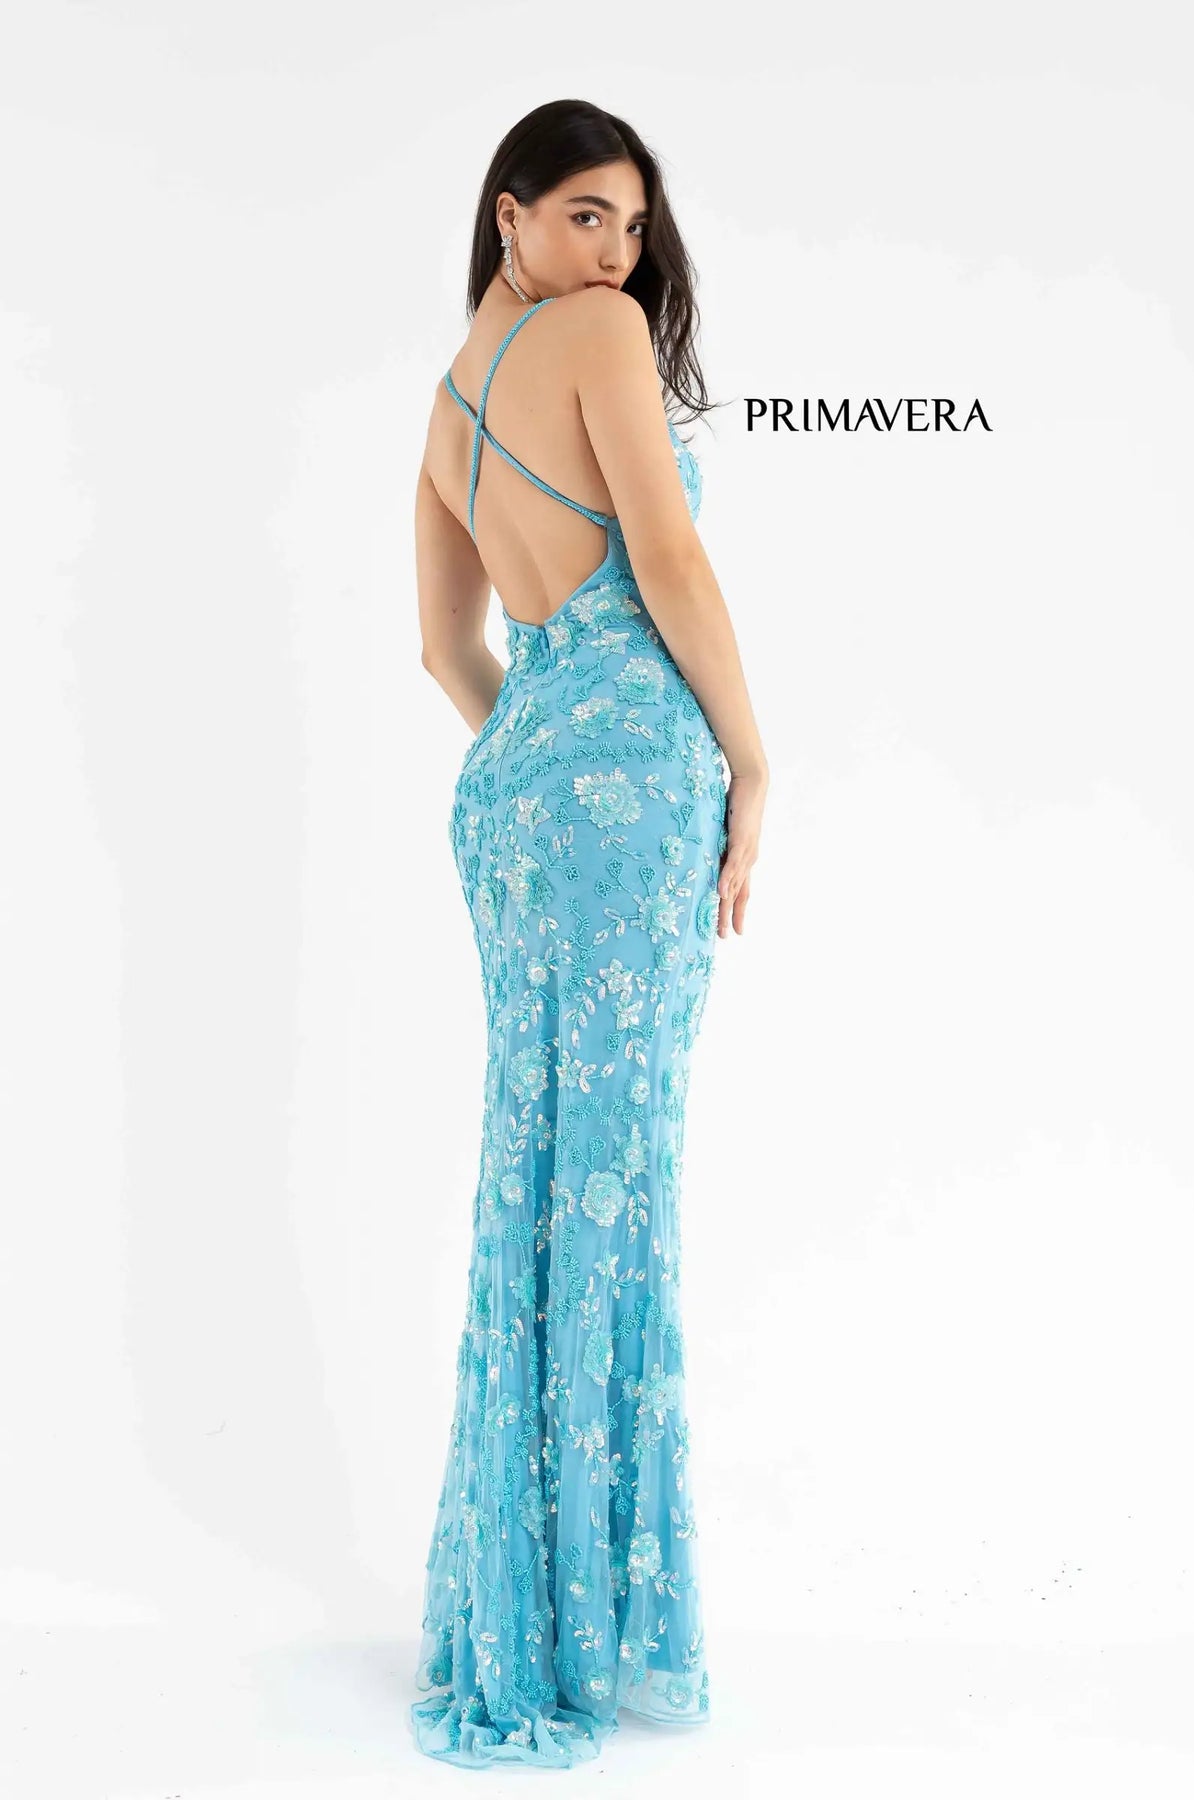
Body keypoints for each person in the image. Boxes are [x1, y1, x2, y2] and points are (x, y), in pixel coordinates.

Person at [410, 98, 769, 1768]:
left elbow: (447, 651)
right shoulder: (598, 338)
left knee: (537, 1176)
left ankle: (527, 1610)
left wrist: (537, 753)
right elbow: (671, 560)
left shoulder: (446, 405)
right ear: (510, 214)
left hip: (512, 799)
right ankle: (584, 1619)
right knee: (614, 1181)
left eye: (631, 225)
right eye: (583, 216)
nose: (617, 255)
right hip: (630, 773)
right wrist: (749, 762)